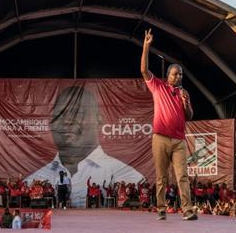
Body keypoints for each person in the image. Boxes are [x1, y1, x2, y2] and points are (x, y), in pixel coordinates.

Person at [25, 85, 144, 207]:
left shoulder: (127, 175)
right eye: (60, 115)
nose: (67, 121)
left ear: (99, 120)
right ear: (51, 124)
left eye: (77, 113)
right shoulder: (35, 178)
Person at [141, 28, 197, 221]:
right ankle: (161, 208)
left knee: (182, 176)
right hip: (161, 138)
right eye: (176, 74)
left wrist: (185, 102)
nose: (179, 77)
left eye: (181, 74)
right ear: (168, 76)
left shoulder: (185, 93)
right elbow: (143, 70)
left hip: (179, 140)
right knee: (161, 177)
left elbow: (189, 116)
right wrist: (146, 46)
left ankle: (188, 210)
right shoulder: (158, 86)